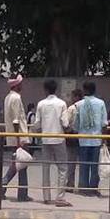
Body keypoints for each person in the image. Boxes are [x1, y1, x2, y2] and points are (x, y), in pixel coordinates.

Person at [34, 79, 71, 207]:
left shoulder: (40, 104)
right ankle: (60, 198)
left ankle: (46, 197)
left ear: (45, 90)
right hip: (59, 138)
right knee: (62, 168)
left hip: (45, 138)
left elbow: (37, 124)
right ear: (56, 89)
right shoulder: (61, 104)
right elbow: (65, 123)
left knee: (46, 167)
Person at [73, 81, 108, 197]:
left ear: (85, 90)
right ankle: (93, 188)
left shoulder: (79, 104)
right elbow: (104, 124)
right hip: (97, 139)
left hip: (83, 139)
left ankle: (84, 188)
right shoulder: (101, 103)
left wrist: (76, 131)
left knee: (84, 165)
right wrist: (104, 139)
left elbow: (76, 124)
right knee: (94, 165)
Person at [0, 74, 31, 202]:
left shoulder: (8, 98)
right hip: (20, 136)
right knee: (21, 164)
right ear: (17, 85)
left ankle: (21, 192)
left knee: (19, 163)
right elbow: (16, 120)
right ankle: (6, 184)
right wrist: (19, 139)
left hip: (13, 135)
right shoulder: (16, 98)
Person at [61, 88, 83, 190]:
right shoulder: (85, 107)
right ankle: (83, 184)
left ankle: (70, 183)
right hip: (84, 137)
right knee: (83, 163)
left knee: (71, 162)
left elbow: (66, 123)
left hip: (72, 138)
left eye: (72, 96)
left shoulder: (72, 108)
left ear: (76, 97)